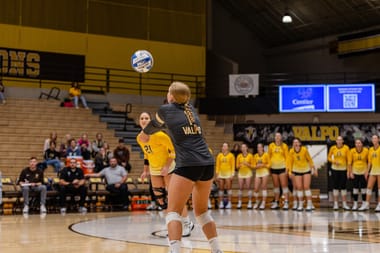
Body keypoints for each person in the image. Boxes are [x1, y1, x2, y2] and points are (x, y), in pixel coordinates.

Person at [141, 82, 223, 253]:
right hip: (207, 163)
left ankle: (176, 250)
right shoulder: (191, 110)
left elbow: (152, 127)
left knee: (173, 212)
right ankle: (217, 250)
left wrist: (143, 134)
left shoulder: (165, 109)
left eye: (169, 92)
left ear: (171, 96)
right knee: (201, 212)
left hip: (188, 164)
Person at [137, 112, 194, 236]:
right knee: (160, 199)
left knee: (174, 197)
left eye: (146, 118)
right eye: (142, 118)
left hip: (168, 168)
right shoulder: (139, 137)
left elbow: (173, 152)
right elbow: (147, 154)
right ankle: (172, 224)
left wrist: (166, 166)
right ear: (139, 121)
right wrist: (145, 170)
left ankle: (187, 223)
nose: (144, 120)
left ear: (150, 121)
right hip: (154, 169)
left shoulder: (160, 135)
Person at [286, 138, 317, 211]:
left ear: (300, 143)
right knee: (299, 187)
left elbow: (310, 160)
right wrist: (289, 172)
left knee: (306, 187)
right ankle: (300, 204)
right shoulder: (291, 151)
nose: (296, 144)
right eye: (294, 142)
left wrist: (314, 169)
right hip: (296, 170)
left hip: (306, 170)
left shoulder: (304, 150)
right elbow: (290, 162)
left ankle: (309, 204)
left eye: (297, 142)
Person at [327, 136, 350, 210]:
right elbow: (329, 157)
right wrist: (334, 161)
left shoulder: (346, 148)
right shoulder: (333, 148)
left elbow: (349, 159)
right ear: (336, 141)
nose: (339, 141)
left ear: (343, 141)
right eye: (338, 140)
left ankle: (344, 204)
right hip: (335, 169)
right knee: (335, 186)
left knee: (343, 186)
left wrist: (349, 170)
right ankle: (336, 204)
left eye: (340, 140)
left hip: (343, 169)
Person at [268, 132, 290, 210]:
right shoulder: (271, 146)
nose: (277, 137)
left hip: (282, 167)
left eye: (279, 136)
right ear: (274, 138)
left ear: (281, 138)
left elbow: (287, 158)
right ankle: (276, 202)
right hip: (274, 168)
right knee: (276, 186)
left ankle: (286, 202)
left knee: (284, 186)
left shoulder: (284, 146)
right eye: (276, 136)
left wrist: (287, 169)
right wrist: (269, 168)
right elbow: (269, 157)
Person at [359, 135, 380, 211]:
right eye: (373, 138)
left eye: (375, 138)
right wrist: (367, 171)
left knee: (379, 188)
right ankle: (367, 204)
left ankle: (379, 204)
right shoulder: (370, 149)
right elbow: (369, 163)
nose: (374, 140)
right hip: (373, 170)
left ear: (378, 139)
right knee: (369, 187)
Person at [348, 138, 369, 210]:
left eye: (359, 143)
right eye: (356, 143)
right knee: (355, 189)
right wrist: (350, 172)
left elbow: (369, 161)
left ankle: (364, 203)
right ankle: (355, 204)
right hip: (355, 172)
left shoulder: (366, 150)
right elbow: (350, 163)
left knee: (363, 189)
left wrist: (367, 172)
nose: (358, 144)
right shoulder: (352, 151)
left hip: (363, 172)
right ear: (355, 144)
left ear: (362, 144)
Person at [215, 143, 235, 209]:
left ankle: (229, 203)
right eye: (223, 146)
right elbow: (217, 166)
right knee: (221, 189)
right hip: (221, 174)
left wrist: (232, 174)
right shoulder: (219, 155)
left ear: (228, 147)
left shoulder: (231, 155)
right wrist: (217, 174)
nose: (224, 147)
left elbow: (233, 166)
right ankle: (221, 202)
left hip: (228, 174)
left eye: (225, 146)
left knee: (229, 188)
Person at [252, 143, 271, 210]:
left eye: (260, 147)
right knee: (256, 188)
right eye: (258, 147)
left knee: (264, 187)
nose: (259, 148)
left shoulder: (266, 155)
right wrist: (256, 166)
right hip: (258, 173)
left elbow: (269, 165)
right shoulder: (255, 156)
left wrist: (263, 165)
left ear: (263, 148)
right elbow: (253, 165)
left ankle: (263, 203)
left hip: (265, 172)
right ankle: (257, 201)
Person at [235, 143, 254, 209]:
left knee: (248, 187)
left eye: (244, 147)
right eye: (242, 147)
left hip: (248, 173)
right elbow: (236, 167)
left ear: (247, 148)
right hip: (241, 173)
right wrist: (240, 165)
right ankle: (239, 202)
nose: (243, 148)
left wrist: (247, 164)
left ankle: (250, 202)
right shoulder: (239, 156)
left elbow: (253, 166)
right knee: (240, 188)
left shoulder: (250, 155)